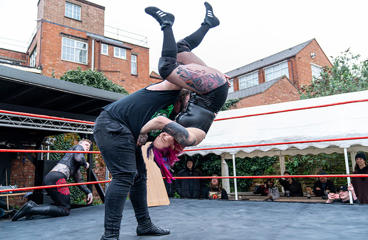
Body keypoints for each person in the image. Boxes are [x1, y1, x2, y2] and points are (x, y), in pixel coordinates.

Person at [140, 2, 229, 150]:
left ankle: (209, 23)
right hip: (213, 91)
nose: (162, 135)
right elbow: (160, 121)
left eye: (160, 136)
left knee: (180, 49)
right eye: (162, 140)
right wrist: (142, 131)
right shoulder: (189, 139)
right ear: (172, 148)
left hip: (208, 90)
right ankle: (166, 22)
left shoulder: (177, 127)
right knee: (166, 68)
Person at [12, 139, 93, 221]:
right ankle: (31, 209)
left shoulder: (75, 163)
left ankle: (33, 206)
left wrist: (88, 192)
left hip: (51, 178)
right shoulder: (78, 147)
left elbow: (79, 180)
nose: (87, 148)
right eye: (86, 145)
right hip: (57, 178)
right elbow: (79, 158)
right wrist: (85, 164)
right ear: (80, 144)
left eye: (89, 147)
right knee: (65, 209)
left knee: (60, 204)